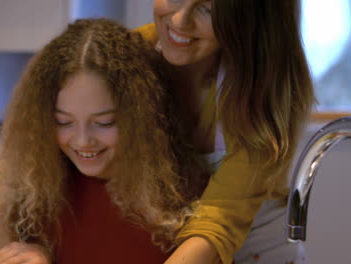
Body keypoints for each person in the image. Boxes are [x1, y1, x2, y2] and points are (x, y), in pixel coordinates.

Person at [0, 18, 207, 264]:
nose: (82, 141)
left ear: (141, 118)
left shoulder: (187, 198)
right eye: (63, 122)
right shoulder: (38, 189)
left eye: (104, 122)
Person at [135, 0, 315, 264]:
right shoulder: (127, 56)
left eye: (209, 10)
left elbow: (218, 219)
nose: (179, 21)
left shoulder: (261, 87)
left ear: (249, 22)